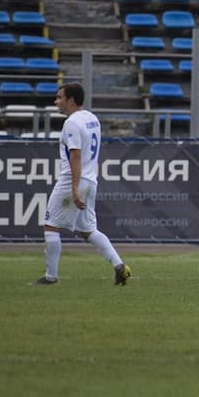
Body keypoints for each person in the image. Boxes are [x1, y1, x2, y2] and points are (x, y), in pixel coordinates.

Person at [31, 82, 131, 287]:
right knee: (88, 230)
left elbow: (75, 154)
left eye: (59, 97)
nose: (56, 101)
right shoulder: (92, 118)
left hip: (72, 181)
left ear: (71, 100)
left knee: (51, 227)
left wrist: (74, 188)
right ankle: (119, 265)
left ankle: (50, 277)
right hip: (90, 179)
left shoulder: (72, 123)